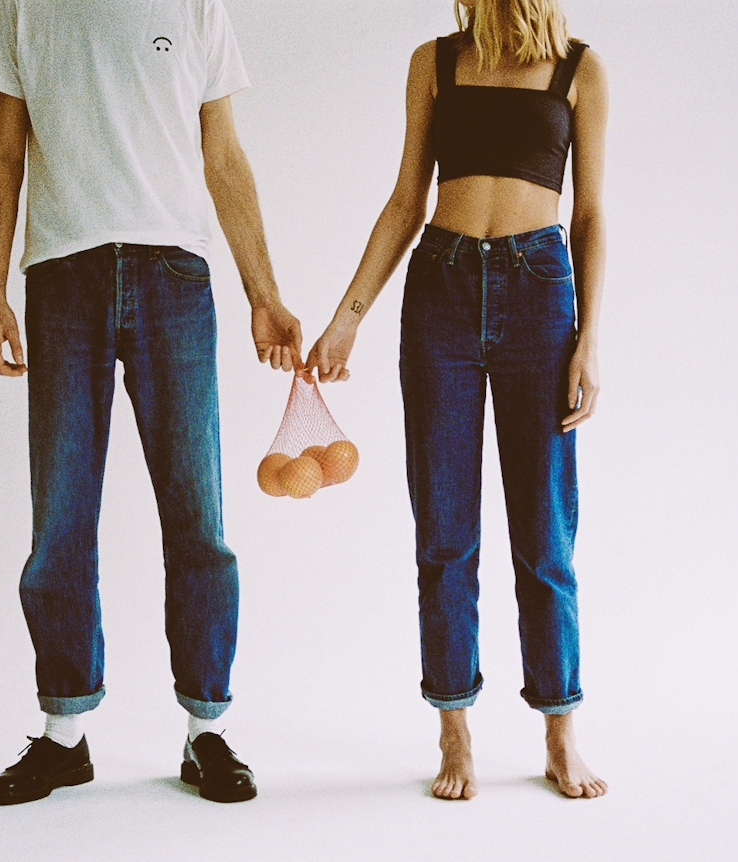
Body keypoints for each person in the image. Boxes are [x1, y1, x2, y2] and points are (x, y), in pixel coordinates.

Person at [0, 0, 301, 805]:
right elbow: (3, 152)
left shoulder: (195, 7)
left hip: (174, 278)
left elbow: (222, 155)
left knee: (198, 515)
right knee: (60, 517)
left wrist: (264, 292)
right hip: (61, 275)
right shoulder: (24, 8)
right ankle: (64, 736)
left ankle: (207, 732)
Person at [306, 0, 609, 800]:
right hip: (439, 288)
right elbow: (407, 200)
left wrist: (590, 338)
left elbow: (590, 213)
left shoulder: (580, 68)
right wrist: (346, 321)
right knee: (444, 529)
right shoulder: (434, 60)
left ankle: (559, 729)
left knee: (544, 533)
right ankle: (454, 729)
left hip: (541, 296)